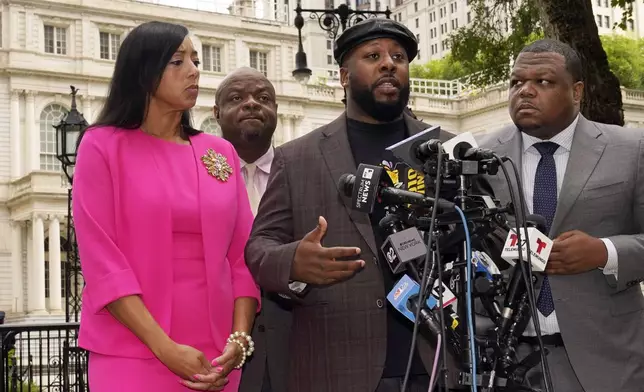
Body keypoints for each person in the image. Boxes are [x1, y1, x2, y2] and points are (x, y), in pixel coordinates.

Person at [245, 19, 464, 392]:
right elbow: (259, 247)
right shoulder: (296, 158)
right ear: (345, 77)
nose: (389, 64)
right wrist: (294, 262)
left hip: (438, 361)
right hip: (337, 366)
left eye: (398, 57)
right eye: (373, 56)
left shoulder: (447, 151)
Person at [72, 21, 260, 392]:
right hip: (131, 352)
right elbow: (102, 264)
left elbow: (243, 257)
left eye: (195, 59)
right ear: (144, 71)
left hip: (218, 358)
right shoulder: (101, 146)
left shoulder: (219, 151)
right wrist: (165, 348)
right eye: (177, 61)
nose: (194, 70)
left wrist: (238, 342)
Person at [478, 39, 644, 392]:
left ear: (577, 91)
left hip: (608, 360)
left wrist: (605, 253)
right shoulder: (480, 157)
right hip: (506, 361)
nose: (525, 91)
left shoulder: (632, 149)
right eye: (516, 82)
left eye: (543, 82)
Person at [213, 67, 293, 392]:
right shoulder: (190, 179)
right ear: (216, 113)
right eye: (237, 98)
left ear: (276, 111)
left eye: (263, 98)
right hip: (216, 344)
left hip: (293, 346)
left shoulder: (302, 171)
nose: (251, 104)